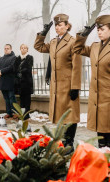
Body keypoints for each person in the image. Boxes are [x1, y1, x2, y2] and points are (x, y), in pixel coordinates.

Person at [73, 15, 110, 149]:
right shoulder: (95, 46)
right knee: (101, 135)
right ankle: (102, 162)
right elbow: (77, 49)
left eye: (102, 29)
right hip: (97, 98)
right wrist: (83, 36)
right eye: (98, 30)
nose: (99, 32)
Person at [34, 14, 82, 150]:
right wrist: (43, 33)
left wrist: (75, 87)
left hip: (68, 85)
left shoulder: (73, 42)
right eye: (56, 25)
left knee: (70, 115)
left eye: (60, 25)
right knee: (60, 114)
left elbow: (77, 66)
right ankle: (63, 141)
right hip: (57, 86)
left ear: (67, 26)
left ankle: (69, 143)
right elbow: (38, 46)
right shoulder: (54, 42)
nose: (57, 27)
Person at [0, 44, 17, 118]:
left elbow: (11, 67)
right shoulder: (1, 59)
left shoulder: (14, 58)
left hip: (10, 81)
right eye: (5, 48)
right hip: (2, 81)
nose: (6, 49)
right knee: (6, 99)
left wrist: (1, 71)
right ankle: (8, 112)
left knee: (11, 98)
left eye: (7, 48)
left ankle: (14, 113)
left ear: (11, 49)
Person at [16, 44, 33, 120]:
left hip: (27, 81)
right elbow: (14, 67)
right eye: (22, 48)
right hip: (20, 82)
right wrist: (17, 73)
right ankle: (22, 113)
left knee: (27, 99)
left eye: (25, 48)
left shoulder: (29, 57)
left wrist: (21, 72)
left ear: (27, 49)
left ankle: (27, 114)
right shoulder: (18, 58)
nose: (23, 49)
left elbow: (28, 68)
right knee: (21, 99)